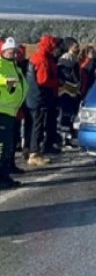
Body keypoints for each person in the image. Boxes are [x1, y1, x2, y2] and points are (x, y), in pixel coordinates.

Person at [26, 35, 62, 165]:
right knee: (37, 125)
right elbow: (43, 80)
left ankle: (30, 150)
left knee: (32, 125)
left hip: (33, 96)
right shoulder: (43, 60)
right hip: (39, 98)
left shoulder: (36, 57)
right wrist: (57, 83)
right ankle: (34, 153)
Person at [1, 37, 29, 188]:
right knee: (1, 148)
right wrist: (5, 82)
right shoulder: (1, 65)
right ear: (4, 52)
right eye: (11, 52)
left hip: (12, 111)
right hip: (2, 112)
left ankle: (5, 176)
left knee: (8, 147)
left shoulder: (15, 67)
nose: (14, 55)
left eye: (16, 52)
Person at [57, 37, 81, 146]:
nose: (78, 49)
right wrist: (74, 85)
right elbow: (67, 76)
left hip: (72, 91)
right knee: (65, 114)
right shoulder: (66, 60)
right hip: (66, 91)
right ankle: (65, 137)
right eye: (76, 47)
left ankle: (68, 136)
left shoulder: (73, 59)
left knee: (70, 114)